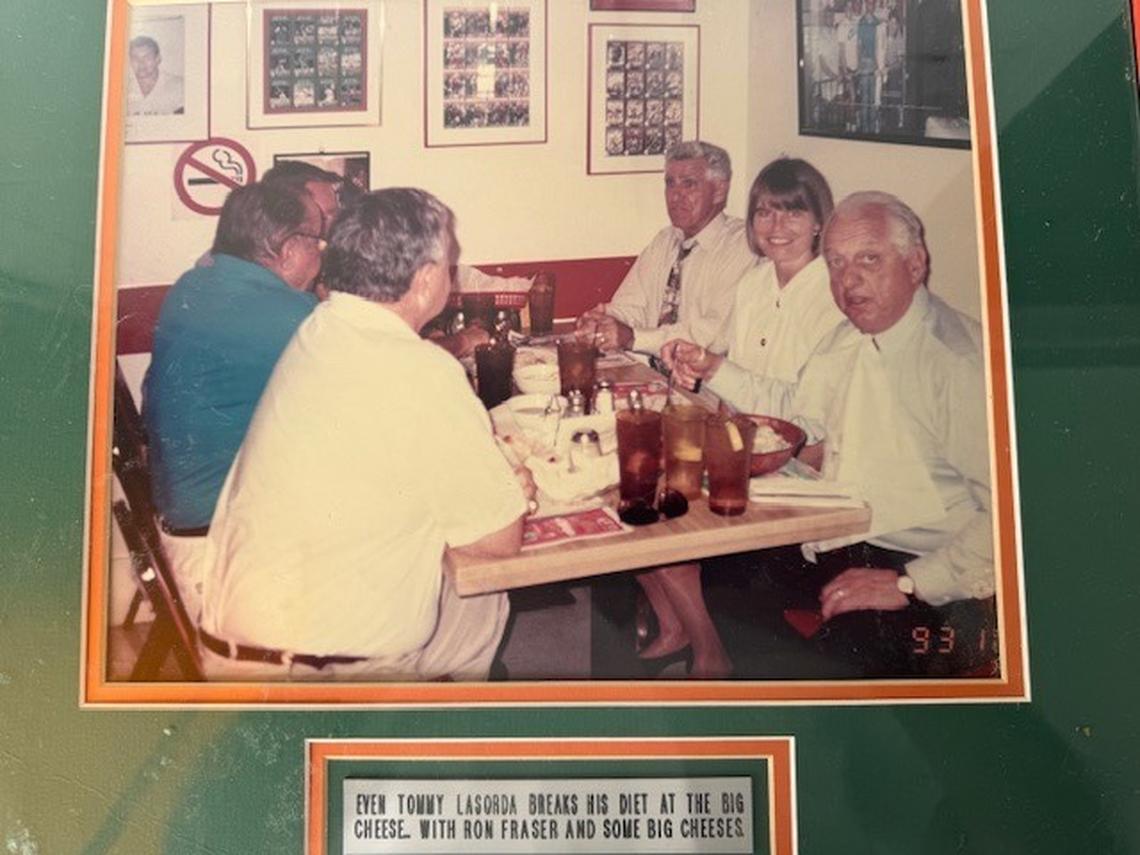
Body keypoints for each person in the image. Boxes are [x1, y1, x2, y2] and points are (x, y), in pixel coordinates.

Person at [197, 188, 535, 681]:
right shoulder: (423, 370)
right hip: (315, 675)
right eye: (449, 264)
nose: (452, 276)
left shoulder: (320, 328)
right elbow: (499, 542)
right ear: (423, 283)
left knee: (469, 604)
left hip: (238, 640)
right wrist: (506, 487)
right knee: (483, 590)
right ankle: (442, 734)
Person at [673, 191, 995, 677]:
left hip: (925, 566)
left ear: (916, 263)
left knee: (826, 669)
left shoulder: (956, 364)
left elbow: (1014, 518)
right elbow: (797, 411)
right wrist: (714, 368)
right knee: (721, 573)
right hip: (843, 533)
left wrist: (910, 584)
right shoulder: (849, 336)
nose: (849, 280)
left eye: (869, 259)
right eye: (837, 262)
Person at [643, 158, 843, 678]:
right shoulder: (755, 282)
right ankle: (678, 628)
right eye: (764, 215)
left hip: (801, 467)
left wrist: (716, 370)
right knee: (636, 484)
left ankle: (711, 655)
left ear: (819, 219)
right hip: (743, 445)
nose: (776, 228)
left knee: (666, 520)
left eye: (792, 214)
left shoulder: (831, 295)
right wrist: (693, 367)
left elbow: (802, 418)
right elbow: (727, 359)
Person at [141, 182, 324, 619]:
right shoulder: (285, 315)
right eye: (317, 239)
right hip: (228, 560)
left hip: (184, 527)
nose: (322, 252)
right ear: (286, 248)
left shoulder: (195, 284)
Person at [575, 140, 755, 356]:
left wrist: (633, 337)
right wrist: (602, 321)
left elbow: (712, 336)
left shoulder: (743, 244)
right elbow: (632, 306)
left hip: (704, 384)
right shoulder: (665, 240)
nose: (676, 195)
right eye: (670, 183)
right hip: (654, 375)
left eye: (689, 184)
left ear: (719, 190)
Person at [126, 35, 184, 116]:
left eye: (147, 57)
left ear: (158, 59)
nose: (141, 63)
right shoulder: (121, 89)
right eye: (135, 58)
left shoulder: (179, 87)